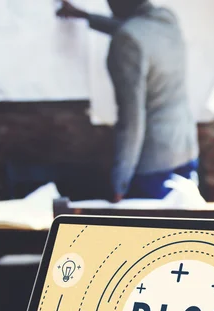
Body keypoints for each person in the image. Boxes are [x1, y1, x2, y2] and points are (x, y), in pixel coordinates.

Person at [58, 0, 199, 202]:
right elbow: (134, 31)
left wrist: (120, 182)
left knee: (151, 232)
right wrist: (86, 16)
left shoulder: (128, 40)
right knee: (184, 227)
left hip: (153, 160)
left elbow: (131, 120)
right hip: (185, 146)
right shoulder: (166, 19)